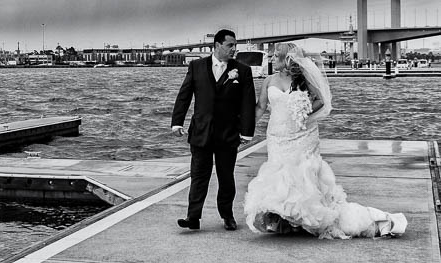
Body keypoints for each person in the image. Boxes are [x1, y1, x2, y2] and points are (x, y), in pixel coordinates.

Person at [244, 43, 407, 238]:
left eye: (275, 56)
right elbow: (261, 107)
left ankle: (308, 218)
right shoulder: (269, 80)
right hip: (277, 136)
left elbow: (321, 100)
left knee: (301, 175)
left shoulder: (302, 79)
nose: (271, 59)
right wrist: (245, 130)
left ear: (287, 59)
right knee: (279, 173)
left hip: (301, 135)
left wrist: (303, 111)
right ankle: (287, 220)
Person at [171, 29, 256, 231]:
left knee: (226, 177)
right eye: (230, 45)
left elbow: (247, 103)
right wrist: (177, 122)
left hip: (228, 134)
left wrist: (247, 131)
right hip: (201, 132)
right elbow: (184, 95)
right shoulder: (196, 66)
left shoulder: (242, 71)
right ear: (217, 45)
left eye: (235, 45)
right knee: (199, 176)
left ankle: (227, 216)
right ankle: (193, 217)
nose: (234, 49)